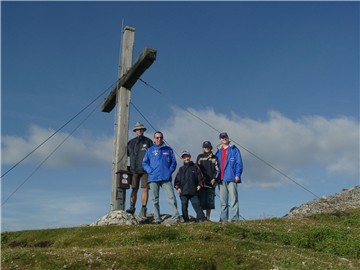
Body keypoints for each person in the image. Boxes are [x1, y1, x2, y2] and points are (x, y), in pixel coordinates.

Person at [142, 131, 180, 224]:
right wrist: (150, 171)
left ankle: (176, 217)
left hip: (166, 178)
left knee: (171, 197)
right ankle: (157, 218)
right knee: (154, 199)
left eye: (160, 137)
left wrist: (169, 171)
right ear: (154, 139)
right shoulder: (150, 150)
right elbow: (144, 163)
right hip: (153, 178)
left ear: (163, 138)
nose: (159, 139)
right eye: (157, 137)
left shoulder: (168, 150)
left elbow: (174, 163)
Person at [126, 122, 153, 218]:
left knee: (145, 189)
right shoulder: (130, 142)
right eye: (137, 129)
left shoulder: (149, 142)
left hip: (145, 170)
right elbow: (125, 154)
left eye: (141, 129)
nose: (139, 131)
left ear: (143, 130)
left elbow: (153, 156)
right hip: (134, 169)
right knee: (134, 189)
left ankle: (143, 209)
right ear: (135, 131)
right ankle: (132, 207)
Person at [215, 132, 243, 222]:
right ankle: (224, 219)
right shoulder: (218, 152)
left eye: (225, 137)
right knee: (223, 201)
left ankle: (234, 218)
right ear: (220, 139)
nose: (224, 139)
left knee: (233, 199)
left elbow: (239, 163)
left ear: (228, 138)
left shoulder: (234, 150)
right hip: (221, 179)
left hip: (232, 177)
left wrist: (237, 175)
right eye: (222, 138)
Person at [174, 150, 207, 222]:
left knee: (197, 205)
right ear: (182, 158)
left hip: (193, 191)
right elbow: (176, 181)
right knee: (184, 206)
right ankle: (186, 220)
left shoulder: (195, 167)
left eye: (187, 157)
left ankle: (202, 219)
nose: (186, 159)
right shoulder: (181, 169)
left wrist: (199, 185)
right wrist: (178, 187)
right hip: (183, 192)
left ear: (190, 157)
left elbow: (201, 177)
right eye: (184, 157)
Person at [196, 141, 219, 221]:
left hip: (211, 182)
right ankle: (200, 217)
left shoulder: (215, 157)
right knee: (200, 200)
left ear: (211, 148)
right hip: (202, 182)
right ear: (203, 148)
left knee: (209, 201)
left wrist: (214, 178)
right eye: (205, 147)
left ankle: (208, 217)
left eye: (208, 147)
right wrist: (198, 180)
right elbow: (197, 169)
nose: (207, 148)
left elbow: (217, 169)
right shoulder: (200, 156)